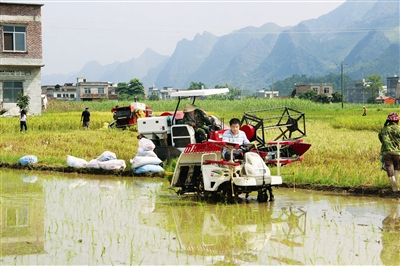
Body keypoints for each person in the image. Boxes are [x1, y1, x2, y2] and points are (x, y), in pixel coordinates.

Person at [378, 112, 400, 192]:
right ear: (397, 121)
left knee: (389, 168)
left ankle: (394, 188)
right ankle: (396, 186)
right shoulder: (398, 128)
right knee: (397, 168)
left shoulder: (383, 129)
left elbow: (381, 140)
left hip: (386, 153)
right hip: (398, 153)